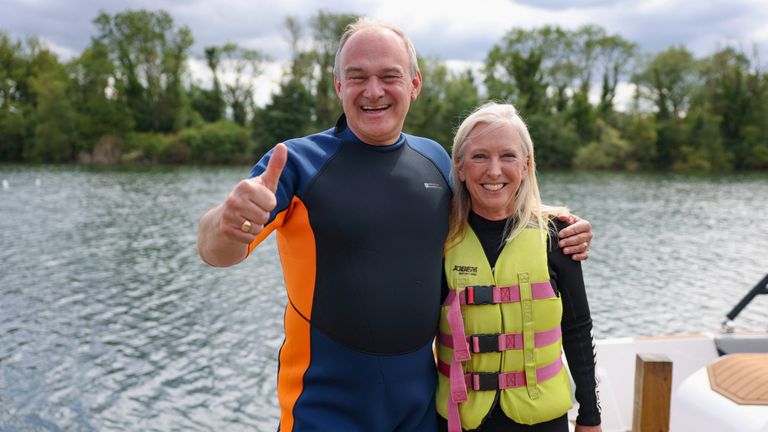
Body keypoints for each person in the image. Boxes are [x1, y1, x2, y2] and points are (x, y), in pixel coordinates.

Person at [197, 18, 593, 432]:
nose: (373, 91)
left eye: (389, 76)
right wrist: (225, 223)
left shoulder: (437, 161)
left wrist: (560, 224)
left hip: (420, 410)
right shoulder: (296, 164)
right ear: (338, 87)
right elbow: (218, 251)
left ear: (414, 84)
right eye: (357, 77)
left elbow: (494, 200)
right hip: (322, 409)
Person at [435, 102, 601, 432]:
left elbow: (578, 329)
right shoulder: (439, 238)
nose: (494, 171)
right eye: (480, 156)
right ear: (461, 167)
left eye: (508, 156)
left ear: (526, 166)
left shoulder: (558, 234)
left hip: (542, 420)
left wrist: (590, 415)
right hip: (461, 419)